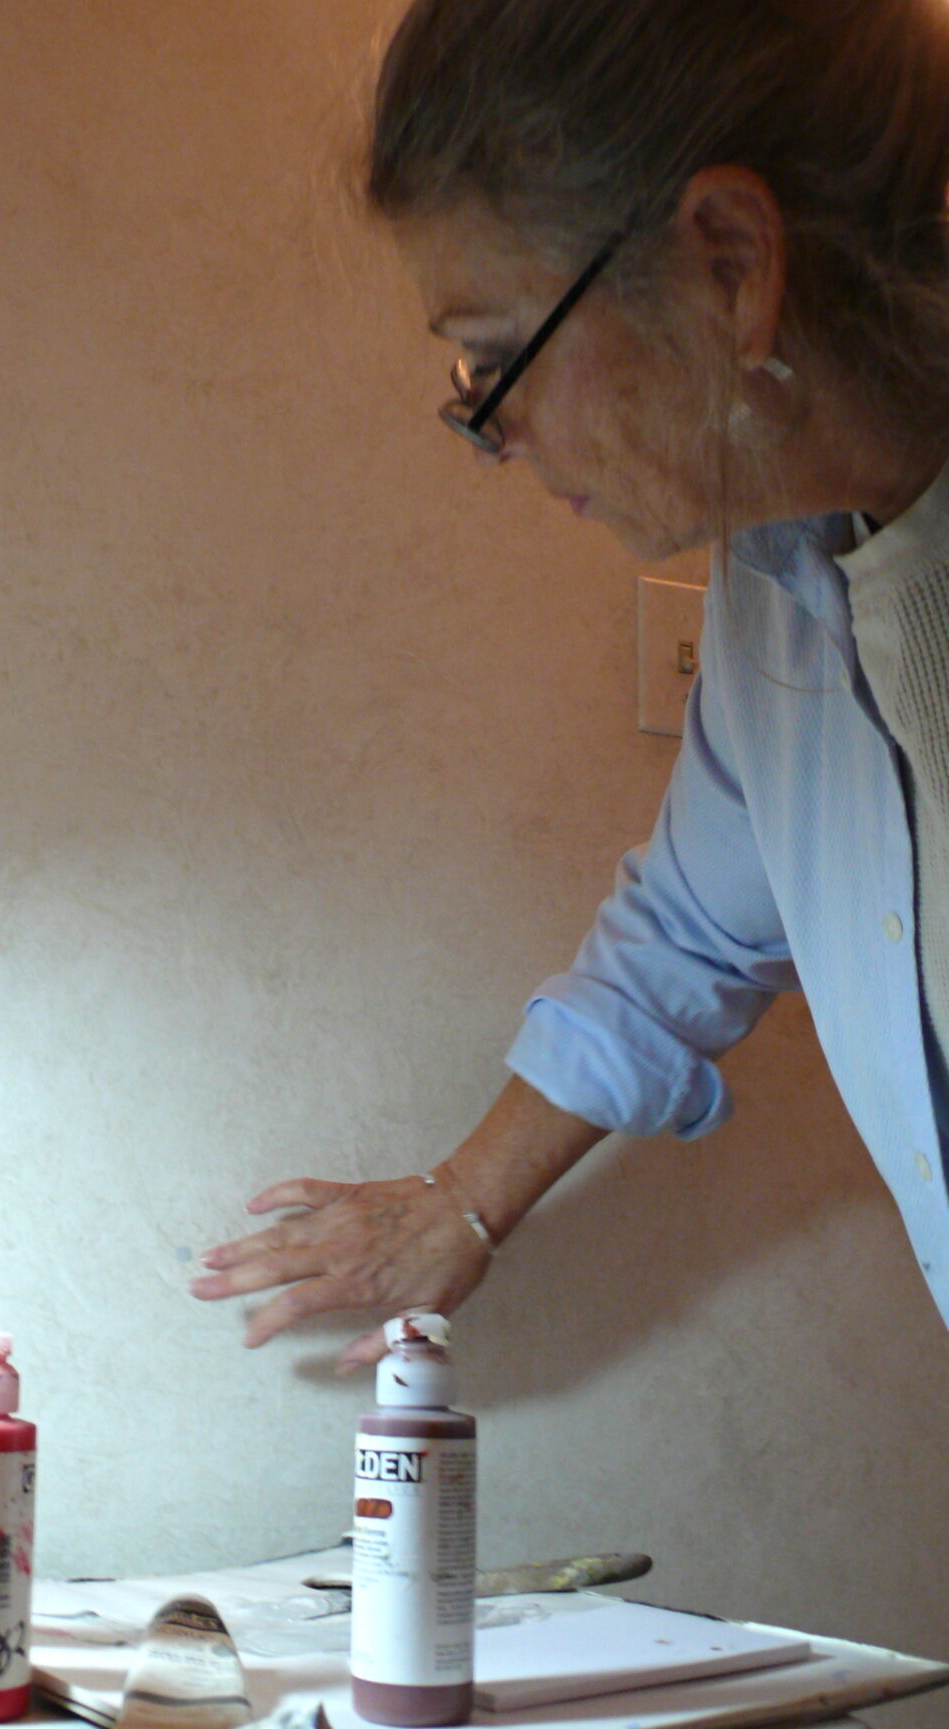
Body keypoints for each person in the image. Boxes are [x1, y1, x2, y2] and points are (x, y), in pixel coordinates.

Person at [191, 0, 949, 1365]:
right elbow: (686, 938)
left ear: (727, 260)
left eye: (496, 361)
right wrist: (462, 1205)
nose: (496, 438)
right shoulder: (782, 579)